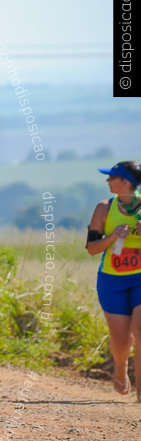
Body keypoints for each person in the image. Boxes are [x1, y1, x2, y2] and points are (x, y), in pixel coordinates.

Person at [85, 160, 141, 399]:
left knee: (140, 329)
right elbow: (91, 248)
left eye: (112, 177)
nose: (107, 181)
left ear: (125, 181)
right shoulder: (104, 208)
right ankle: (120, 366)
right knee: (121, 342)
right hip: (112, 281)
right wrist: (111, 238)